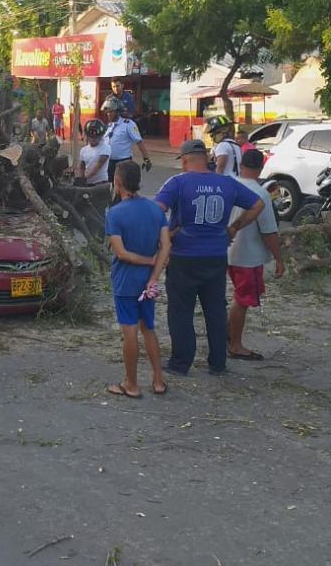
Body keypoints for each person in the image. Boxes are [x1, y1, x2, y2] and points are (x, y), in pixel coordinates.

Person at [155, 139, 264, 376]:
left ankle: (181, 362)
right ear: (206, 158)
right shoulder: (227, 183)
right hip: (216, 255)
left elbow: (156, 210)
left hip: (184, 256)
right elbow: (258, 205)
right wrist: (234, 227)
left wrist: (168, 235)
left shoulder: (177, 183)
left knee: (181, 311)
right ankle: (218, 362)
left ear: (185, 160)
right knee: (215, 310)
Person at [104, 162, 171, 399]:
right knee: (148, 327)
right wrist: (154, 274)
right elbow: (166, 246)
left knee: (130, 330)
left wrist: (146, 261)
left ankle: (131, 383)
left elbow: (121, 253)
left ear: (118, 182)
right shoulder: (155, 210)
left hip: (125, 281)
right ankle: (158, 380)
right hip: (148, 282)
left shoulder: (115, 213)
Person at [226, 149, 285, 360]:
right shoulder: (260, 194)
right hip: (247, 255)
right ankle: (235, 345)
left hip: (226, 250)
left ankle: (228, 334)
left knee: (238, 297)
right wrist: (279, 258)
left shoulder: (228, 185)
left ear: (241, 164)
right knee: (242, 300)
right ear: (261, 168)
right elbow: (268, 230)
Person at [102, 99, 151, 181]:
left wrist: (146, 159)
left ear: (117, 112)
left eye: (111, 112)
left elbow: (139, 142)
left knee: (123, 186)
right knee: (109, 187)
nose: (108, 114)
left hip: (123, 162)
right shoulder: (108, 126)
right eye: (107, 112)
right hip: (108, 162)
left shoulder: (128, 124)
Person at [76, 120, 110, 186]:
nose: (93, 139)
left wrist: (84, 179)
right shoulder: (83, 150)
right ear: (87, 136)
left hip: (101, 183)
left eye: (96, 137)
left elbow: (98, 166)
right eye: (91, 136)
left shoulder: (106, 148)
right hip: (87, 183)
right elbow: (81, 167)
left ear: (101, 136)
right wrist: (80, 178)